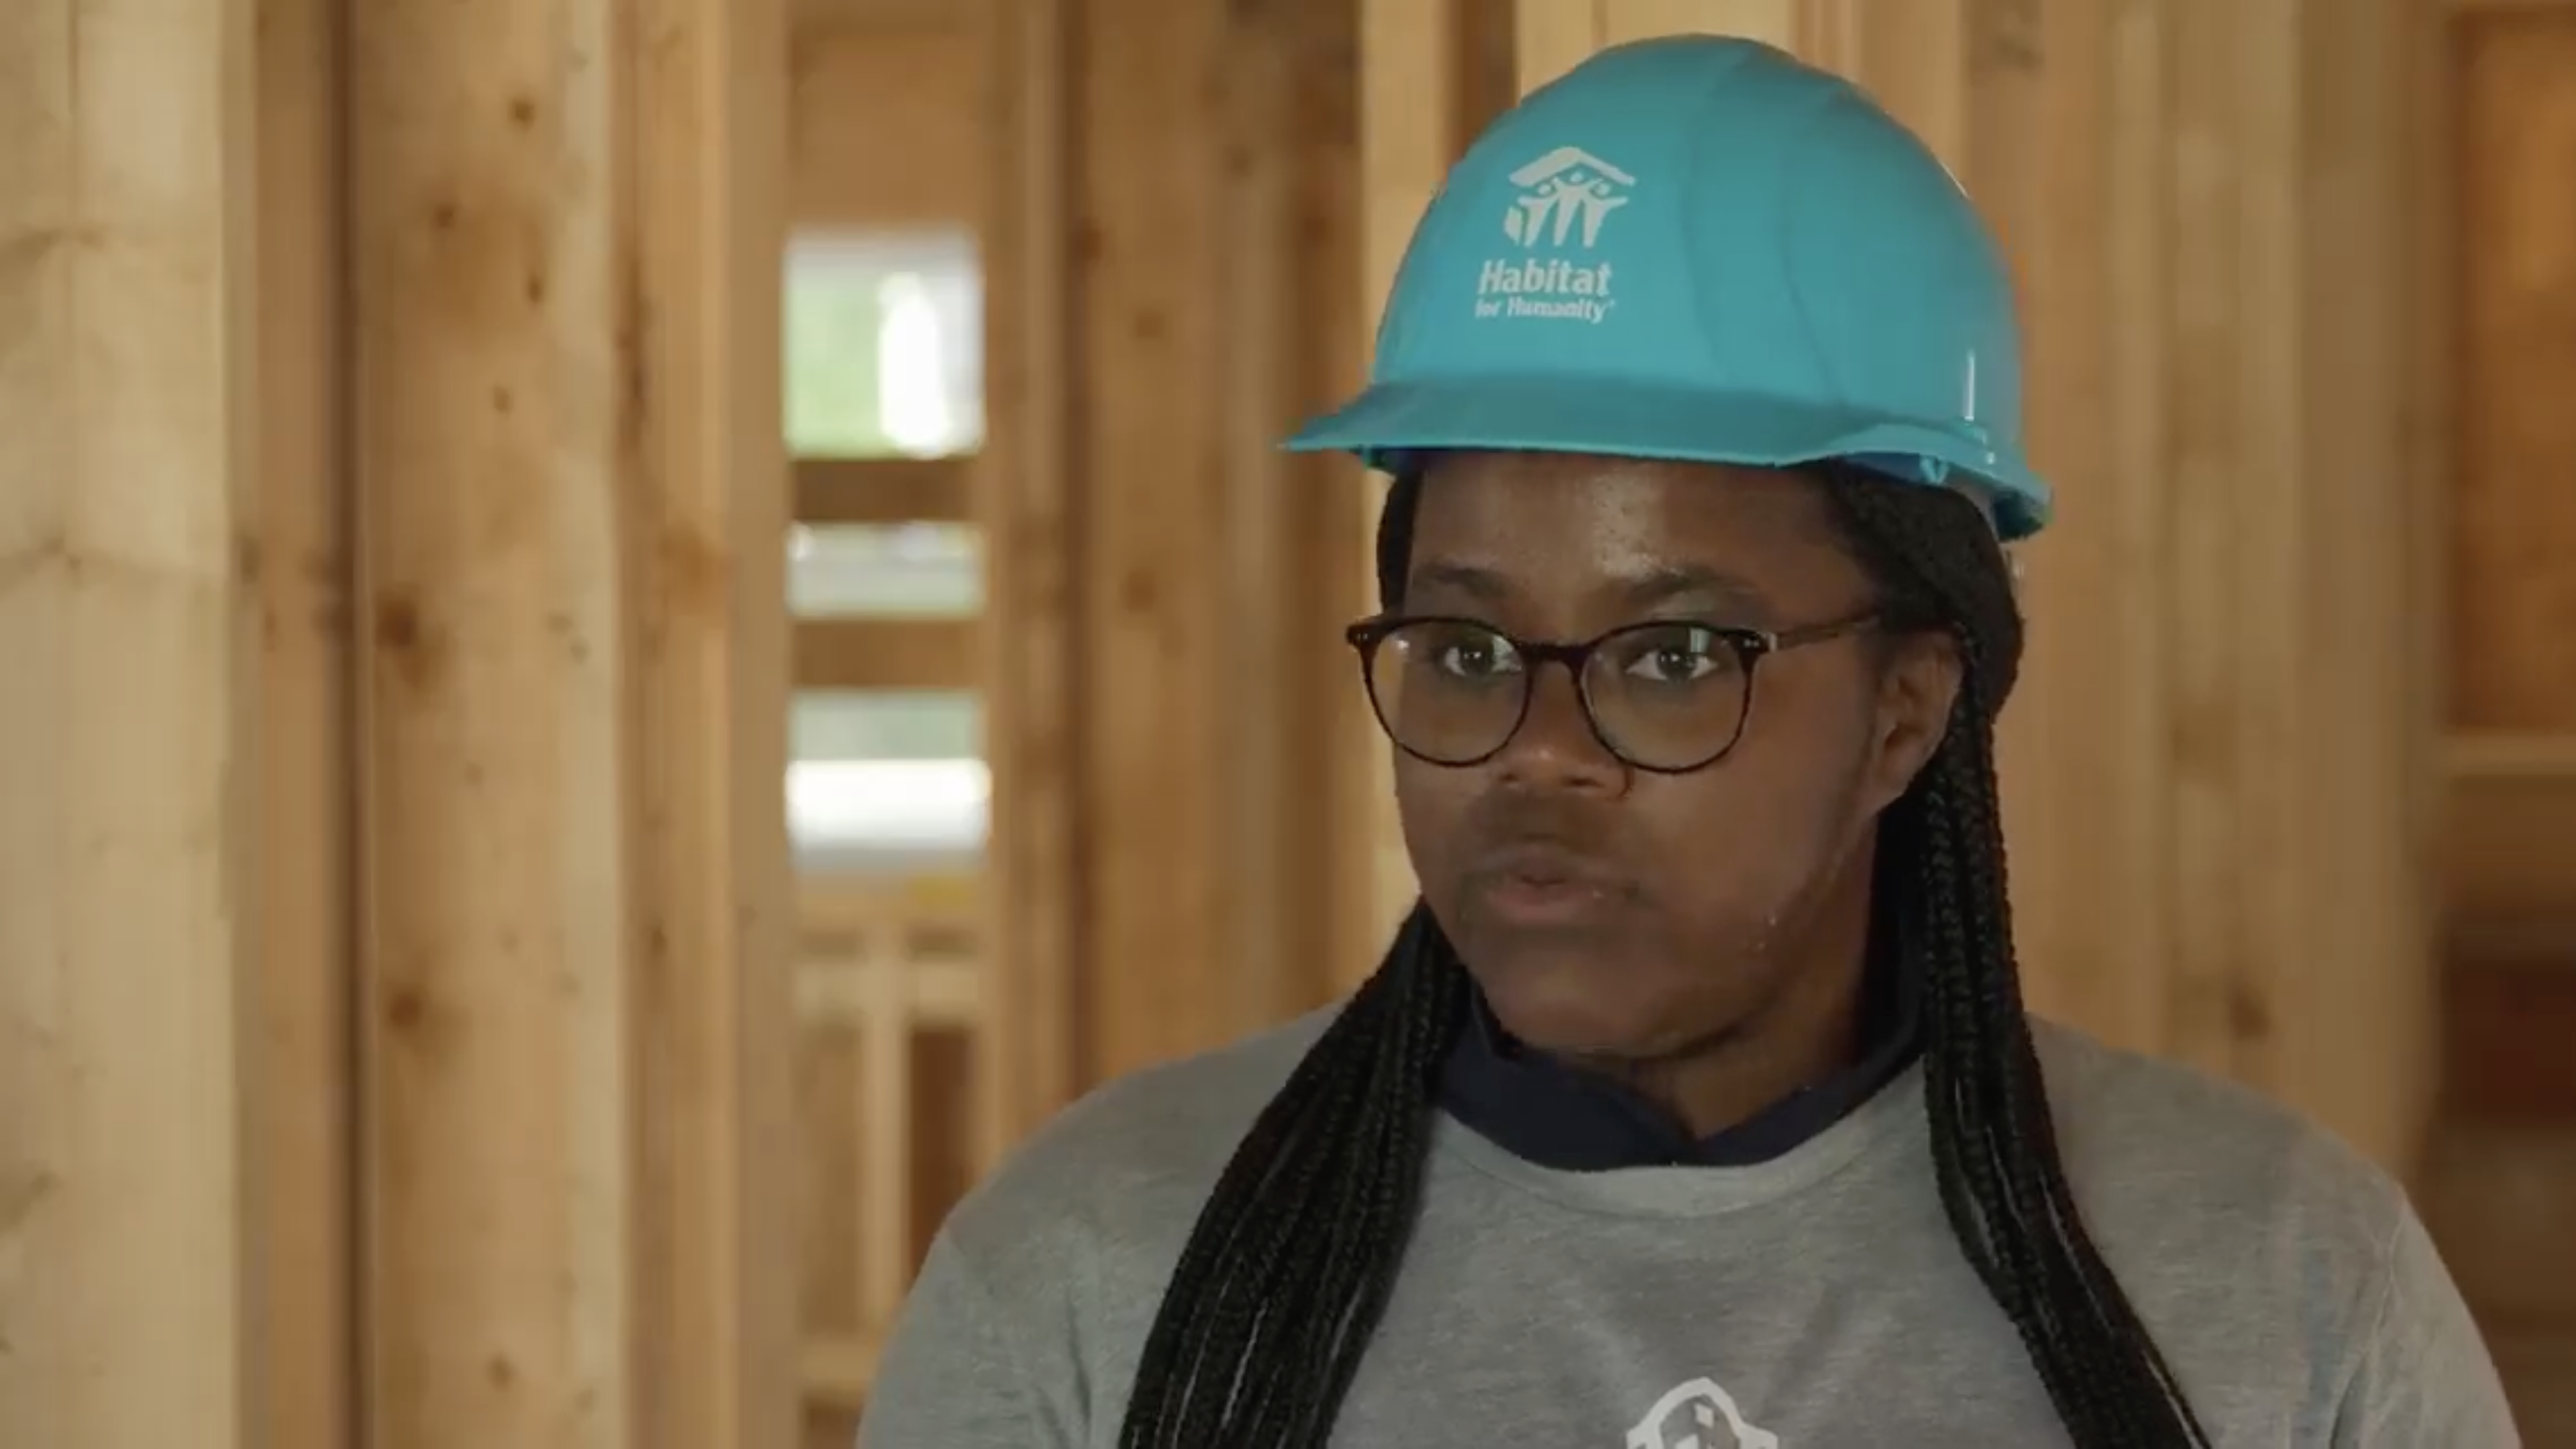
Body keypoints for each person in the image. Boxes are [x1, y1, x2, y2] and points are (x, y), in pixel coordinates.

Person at [857, 34, 2517, 1448]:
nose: (1539, 753)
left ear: (1904, 714)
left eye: (1670, 657)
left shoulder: (2282, 1296)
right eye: (1464, 648)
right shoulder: (1091, 1280)